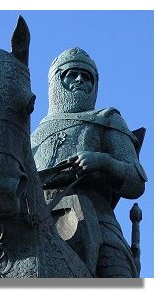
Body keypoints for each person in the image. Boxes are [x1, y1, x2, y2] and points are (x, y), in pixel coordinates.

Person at [31, 47, 147, 277]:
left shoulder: (107, 120)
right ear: (56, 80)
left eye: (87, 76)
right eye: (72, 74)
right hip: (36, 224)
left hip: (99, 223)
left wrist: (102, 161)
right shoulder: (34, 136)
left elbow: (136, 181)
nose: (80, 79)